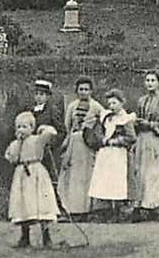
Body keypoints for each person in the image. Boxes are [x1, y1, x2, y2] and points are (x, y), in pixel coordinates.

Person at [5, 112, 60, 248]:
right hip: (22, 175)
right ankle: (25, 237)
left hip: (36, 173)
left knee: (41, 203)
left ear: (31, 128)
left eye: (25, 127)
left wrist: (44, 128)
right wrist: (18, 143)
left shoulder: (37, 140)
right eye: (18, 127)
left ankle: (46, 238)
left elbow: (52, 133)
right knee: (23, 204)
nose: (21, 130)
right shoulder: (14, 144)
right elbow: (12, 158)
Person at [57, 76, 104, 219]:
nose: (84, 92)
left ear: (91, 91)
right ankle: (72, 209)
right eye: (81, 89)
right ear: (77, 91)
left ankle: (88, 210)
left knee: (87, 176)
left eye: (86, 89)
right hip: (74, 143)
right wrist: (64, 146)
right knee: (72, 176)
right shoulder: (72, 106)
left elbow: (105, 123)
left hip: (88, 145)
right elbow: (67, 127)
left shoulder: (96, 106)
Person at [131, 71, 159, 222]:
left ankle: (155, 207)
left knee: (154, 174)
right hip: (142, 140)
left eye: (152, 80)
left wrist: (150, 124)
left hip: (156, 140)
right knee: (140, 172)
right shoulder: (141, 100)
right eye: (147, 80)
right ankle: (141, 205)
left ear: (158, 82)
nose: (149, 83)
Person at [88, 88, 137, 221]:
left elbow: (132, 137)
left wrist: (116, 141)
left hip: (118, 154)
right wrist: (102, 139)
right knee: (105, 180)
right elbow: (98, 131)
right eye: (110, 104)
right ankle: (106, 210)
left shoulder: (125, 119)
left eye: (115, 103)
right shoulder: (106, 117)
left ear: (121, 103)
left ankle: (121, 211)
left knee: (118, 181)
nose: (112, 106)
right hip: (106, 153)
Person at [30, 80, 66, 188]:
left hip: (47, 151)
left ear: (48, 96)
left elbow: (62, 131)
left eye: (42, 94)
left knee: (48, 178)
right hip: (32, 149)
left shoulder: (52, 111)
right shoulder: (30, 110)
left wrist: (50, 142)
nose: (39, 97)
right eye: (36, 94)